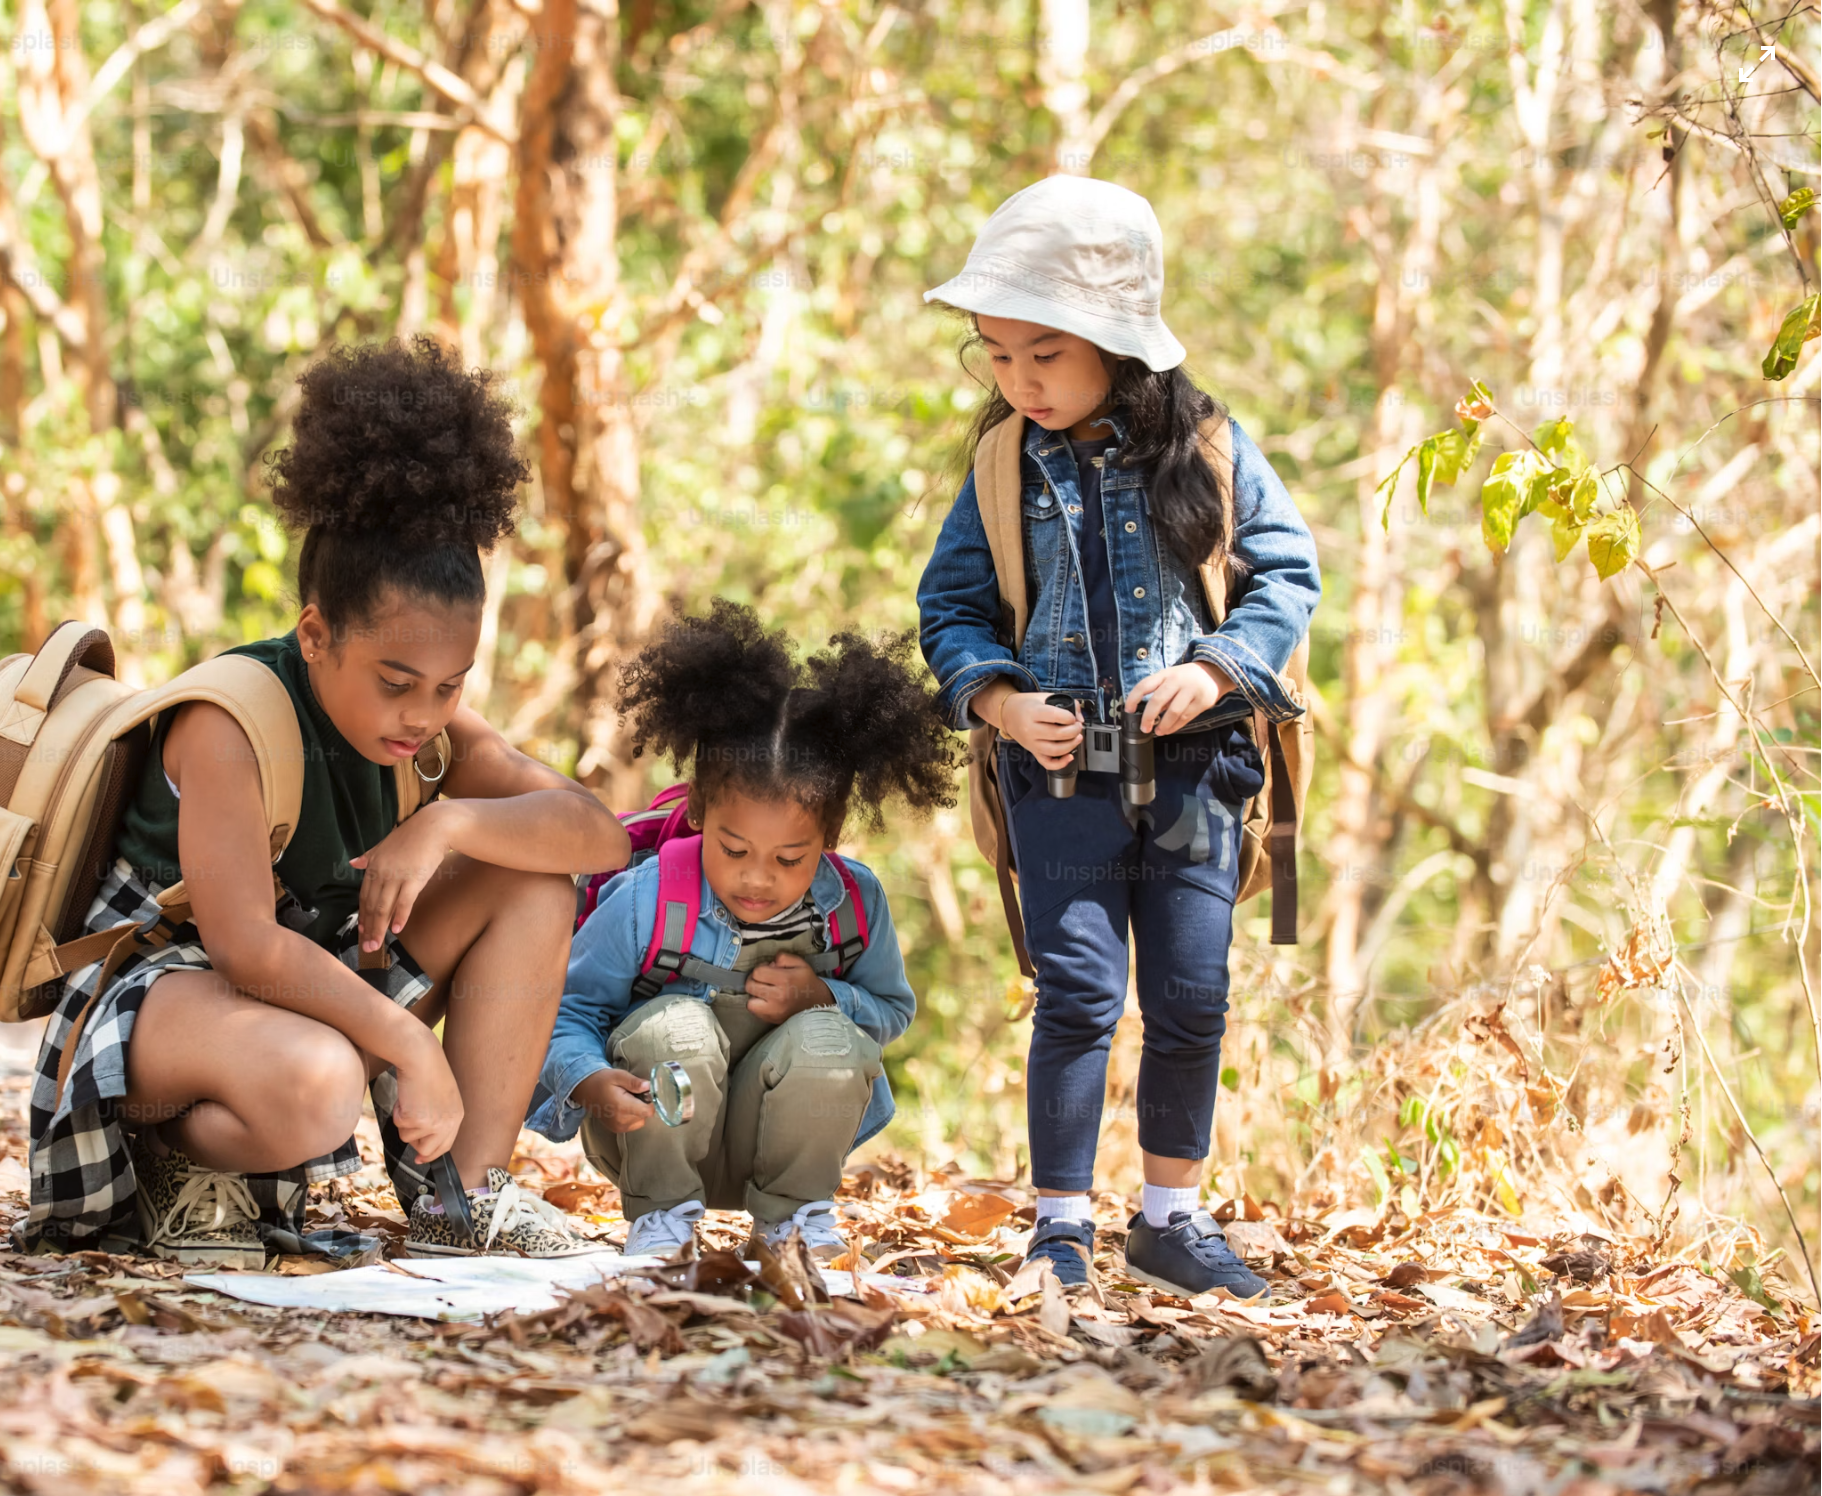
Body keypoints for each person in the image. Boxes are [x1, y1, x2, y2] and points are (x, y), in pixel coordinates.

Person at [25, 338, 631, 1266]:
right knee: (321, 1080)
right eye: (396, 680)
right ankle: (170, 1168)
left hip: (299, 992)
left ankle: (459, 1201)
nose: (421, 713)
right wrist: (413, 1049)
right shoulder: (231, 719)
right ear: (315, 632)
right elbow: (244, 947)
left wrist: (451, 820)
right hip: (160, 998)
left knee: (532, 880)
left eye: (447, 685)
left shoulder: (430, 738)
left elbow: (598, 839)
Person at [915, 176, 1320, 1299]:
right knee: (1078, 989)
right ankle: (1057, 1223)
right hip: (1056, 771)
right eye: (996, 355)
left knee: (1190, 993)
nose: (1017, 380)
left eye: (1042, 353)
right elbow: (947, 608)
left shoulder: (1208, 448)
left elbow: (1284, 576)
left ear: (1117, 344)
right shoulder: (1003, 466)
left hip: (1194, 767)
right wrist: (997, 702)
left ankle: (1170, 1216)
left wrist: (1211, 670)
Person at [527, 604, 959, 1261]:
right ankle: (664, 1227)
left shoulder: (854, 904)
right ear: (698, 807)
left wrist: (824, 998)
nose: (758, 878)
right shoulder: (649, 899)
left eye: (790, 859)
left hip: (782, 1138)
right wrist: (586, 1079)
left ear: (831, 836)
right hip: (655, 1133)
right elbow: (567, 1009)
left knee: (830, 1039)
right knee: (677, 1027)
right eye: (732, 849)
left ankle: (794, 1223)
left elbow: (893, 1011)